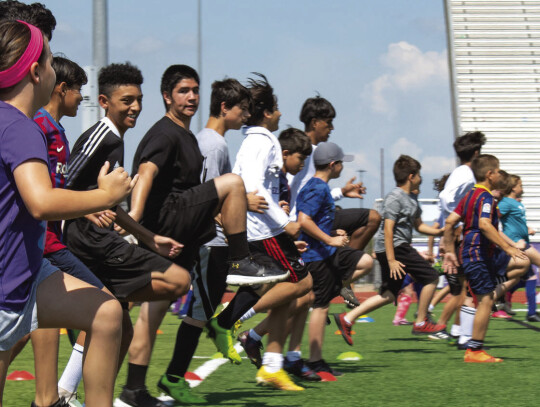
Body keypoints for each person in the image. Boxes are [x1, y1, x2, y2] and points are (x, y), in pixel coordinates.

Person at [125, 68, 285, 406]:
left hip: (178, 233)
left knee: (149, 314)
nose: (192, 97)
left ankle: (134, 389)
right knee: (233, 185)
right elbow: (146, 173)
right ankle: (241, 262)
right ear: (167, 95)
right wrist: (134, 220)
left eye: (195, 91)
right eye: (184, 91)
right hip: (175, 224)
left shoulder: (189, 137)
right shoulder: (175, 135)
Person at [0, 19, 135, 407]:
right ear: (36, 71)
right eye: (51, 59)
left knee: (106, 312)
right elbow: (41, 201)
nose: (57, 68)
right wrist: (104, 196)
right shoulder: (22, 128)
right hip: (7, 286)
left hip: (26, 275)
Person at [63, 62, 190, 407]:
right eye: (127, 100)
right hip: (87, 242)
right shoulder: (100, 137)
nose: (135, 107)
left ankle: (70, 393)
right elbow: (60, 184)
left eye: (139, 99)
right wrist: (88, 208)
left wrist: (150, 238)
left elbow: (110, 205)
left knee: (120, 330)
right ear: (104, 101)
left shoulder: (116, 141)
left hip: (100, 241)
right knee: (179, 280)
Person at [209, 74, 313, 391]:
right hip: (263, 230)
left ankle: (270, 365)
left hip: (260, 226)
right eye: (278, 108)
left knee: (288, 289)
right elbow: (251, 185)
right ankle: (228, 321)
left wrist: (268, 202)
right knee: (302, 282)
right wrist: (286, 222)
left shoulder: (254, 140)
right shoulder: (263, 140)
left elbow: (252, 186)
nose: (281, 114)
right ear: (267, 112)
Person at [334, 155, 446, 346]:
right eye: (419, 175)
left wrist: (440, 231)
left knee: (389, 294)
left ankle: (346, 319)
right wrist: (392, 260)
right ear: (412, 176)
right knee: (432, 278)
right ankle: (421, 321)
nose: (421, 179)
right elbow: (388, 229)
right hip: (395, 247)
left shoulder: (412, 198)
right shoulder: (395, 197)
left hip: (398, 247)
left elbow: (419, 226)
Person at [238, 128, 317, 381]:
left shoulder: (280, 179)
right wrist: (284, 222)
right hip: (262, 236)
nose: (303, 164)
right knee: (303, 285)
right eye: (300, 159)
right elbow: (260, 200)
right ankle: (239, 317)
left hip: (276, 236)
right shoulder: (273, 174)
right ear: (285, 154)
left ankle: (267, 350)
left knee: (305, 295)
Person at [443, 155, 530, 362]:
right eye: (498, 171)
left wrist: (449, 251)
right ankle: (474, 350)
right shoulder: (486, 197)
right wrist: (508, 248)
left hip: (471, 253)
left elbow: (450, 221)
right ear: (490, 175)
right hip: (477, 254)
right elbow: (484, 224)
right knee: (486, 300)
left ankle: (470, 343)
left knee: (484, 295)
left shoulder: (469, 195)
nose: (500, 174)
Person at [296, 142, 373, 374]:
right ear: (333, 165)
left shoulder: (320, 187)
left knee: (365, 262)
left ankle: (337, 286)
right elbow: (303, 220)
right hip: (316, 256)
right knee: (320, 307)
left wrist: (331, 233)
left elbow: (314, 222)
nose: (342, 167)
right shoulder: (317, 188)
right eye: (341, 163)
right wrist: (330, 240)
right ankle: (316, 361)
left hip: (324, 253)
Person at [432, 132, 487, 343]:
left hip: (458, 235)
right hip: (460, 236)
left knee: (465, 288)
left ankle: (460, 332)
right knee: (467, 288)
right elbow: (446, 198)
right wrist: (457, 222)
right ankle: (463, 335)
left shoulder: (462, 173)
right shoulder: (465, 174)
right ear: (475, 153)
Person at [498, 174, 540, 322]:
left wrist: (526, 228)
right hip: (519, 243)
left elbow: (516, 221)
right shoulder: (506, 203)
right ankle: (531, 312)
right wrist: (512, 243)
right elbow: (493, 221)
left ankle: (528, 311)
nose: (522, 188)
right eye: (520, 185)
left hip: (522, 241)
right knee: (530, 274)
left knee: (527, 277)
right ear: (513, 187)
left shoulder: (515, 203)